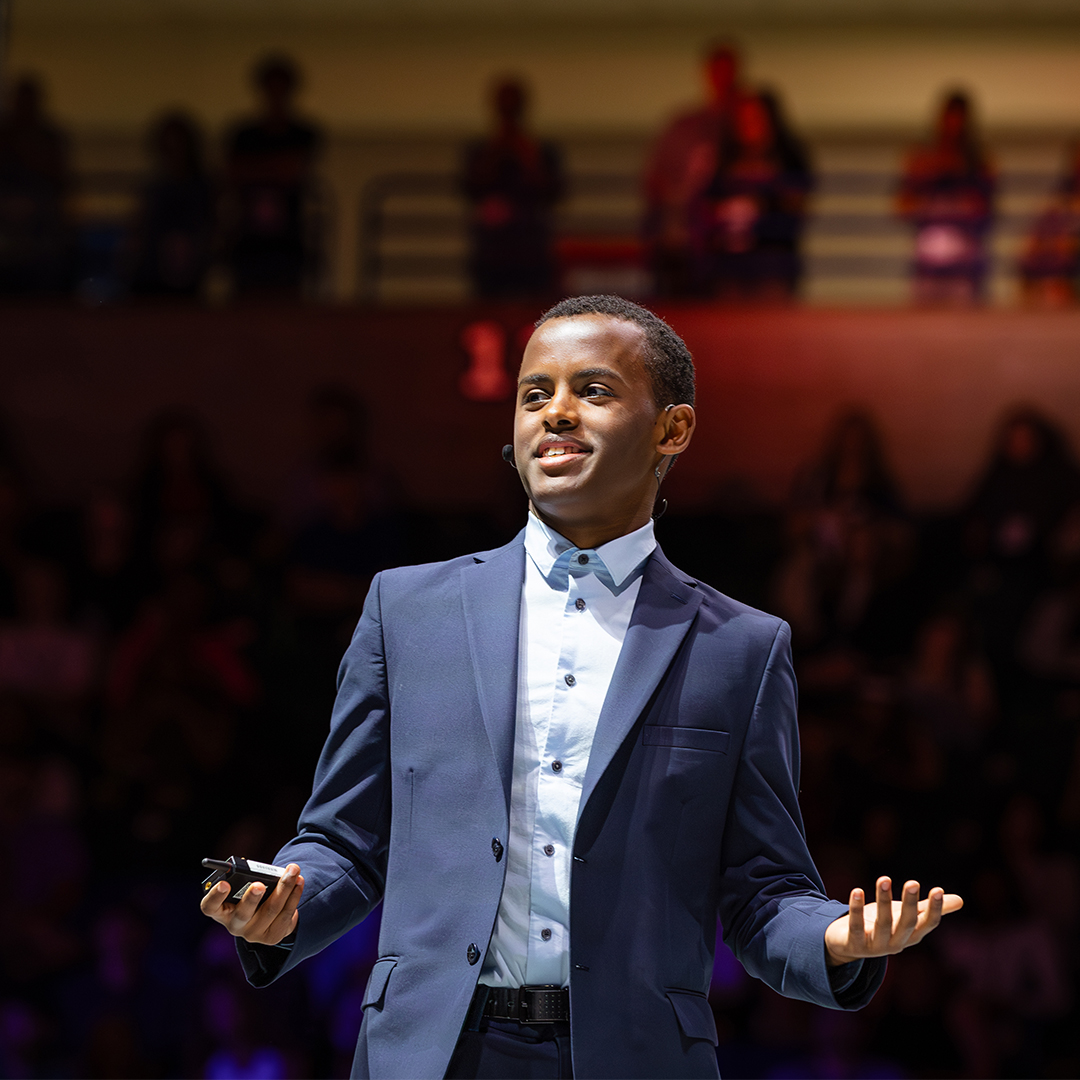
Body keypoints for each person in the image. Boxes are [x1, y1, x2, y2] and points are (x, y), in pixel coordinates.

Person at [201, 295, 962, 1079]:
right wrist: (282, 907)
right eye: (535, 394)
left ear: (673, 429)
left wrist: (834, 940)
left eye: (592, 391)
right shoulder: (407, 611)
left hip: (635, 1058)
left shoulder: (742, 648)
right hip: (430, 1056)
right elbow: (343, 845)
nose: (555, 413)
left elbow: (764, 891)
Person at [644, 44, 741, 297]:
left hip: (724, 237)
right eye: (717, 72)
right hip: (682, 233)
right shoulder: (683, 126)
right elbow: (655, 180)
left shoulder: (743, 127)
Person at [224, 55, 322, 297]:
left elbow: (294, 170)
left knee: (286, 300)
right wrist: (274, 169)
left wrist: (255, 169)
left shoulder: (304, 133)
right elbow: (234, 172)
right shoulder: (243, 135)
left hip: (288, 238)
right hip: (249, 236)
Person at [703, 89, 812, 301]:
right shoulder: (725, 157)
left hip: (773, 262)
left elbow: (797, 204)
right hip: (728, 262)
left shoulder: (788, 155)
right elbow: (708, 201)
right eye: (743, 118)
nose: (749, 124)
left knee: (772, 325)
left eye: (756, 117)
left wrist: (764, 199)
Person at [462, 77, 564, 299]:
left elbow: (554, 191)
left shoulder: (540, 151)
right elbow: (469, 188)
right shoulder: (481, 150)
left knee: (534, 309)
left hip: (530, 244)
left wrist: (528, 158)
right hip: (492, 246)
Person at [897, 91, 995, 305]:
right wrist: (927, 172)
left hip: (964, 262)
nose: (953, 124)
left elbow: (987, 211)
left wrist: (962, 172)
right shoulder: (923, 156)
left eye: (959, 118)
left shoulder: (978, 160)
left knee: (962, 330)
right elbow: (901, 207)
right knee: (923, 329)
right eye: (949, 117)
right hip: (927, 258)